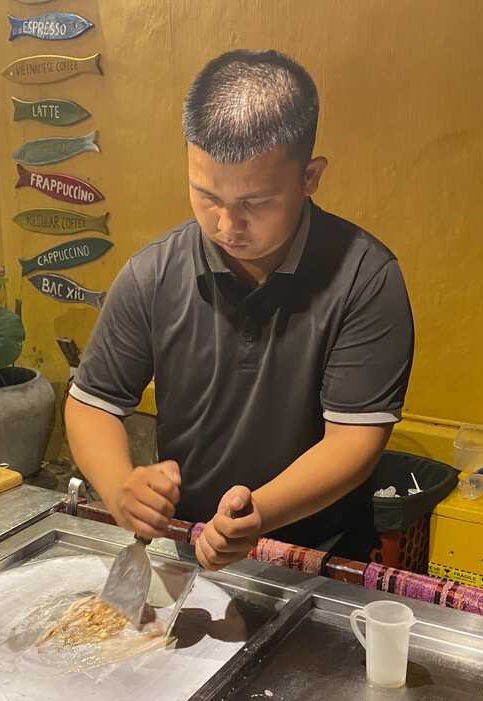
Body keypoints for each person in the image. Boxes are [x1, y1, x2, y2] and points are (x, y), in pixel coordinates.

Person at [66, 50, 414, 570]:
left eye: (255, 203)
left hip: (317, 554)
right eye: (205, 195)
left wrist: (258, 516)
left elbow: (355, 440)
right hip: (190, 546)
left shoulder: (365, 278)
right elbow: (92, 402)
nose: (227, 226)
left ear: (310, 177)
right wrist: (120, 488)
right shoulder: (155, 274)